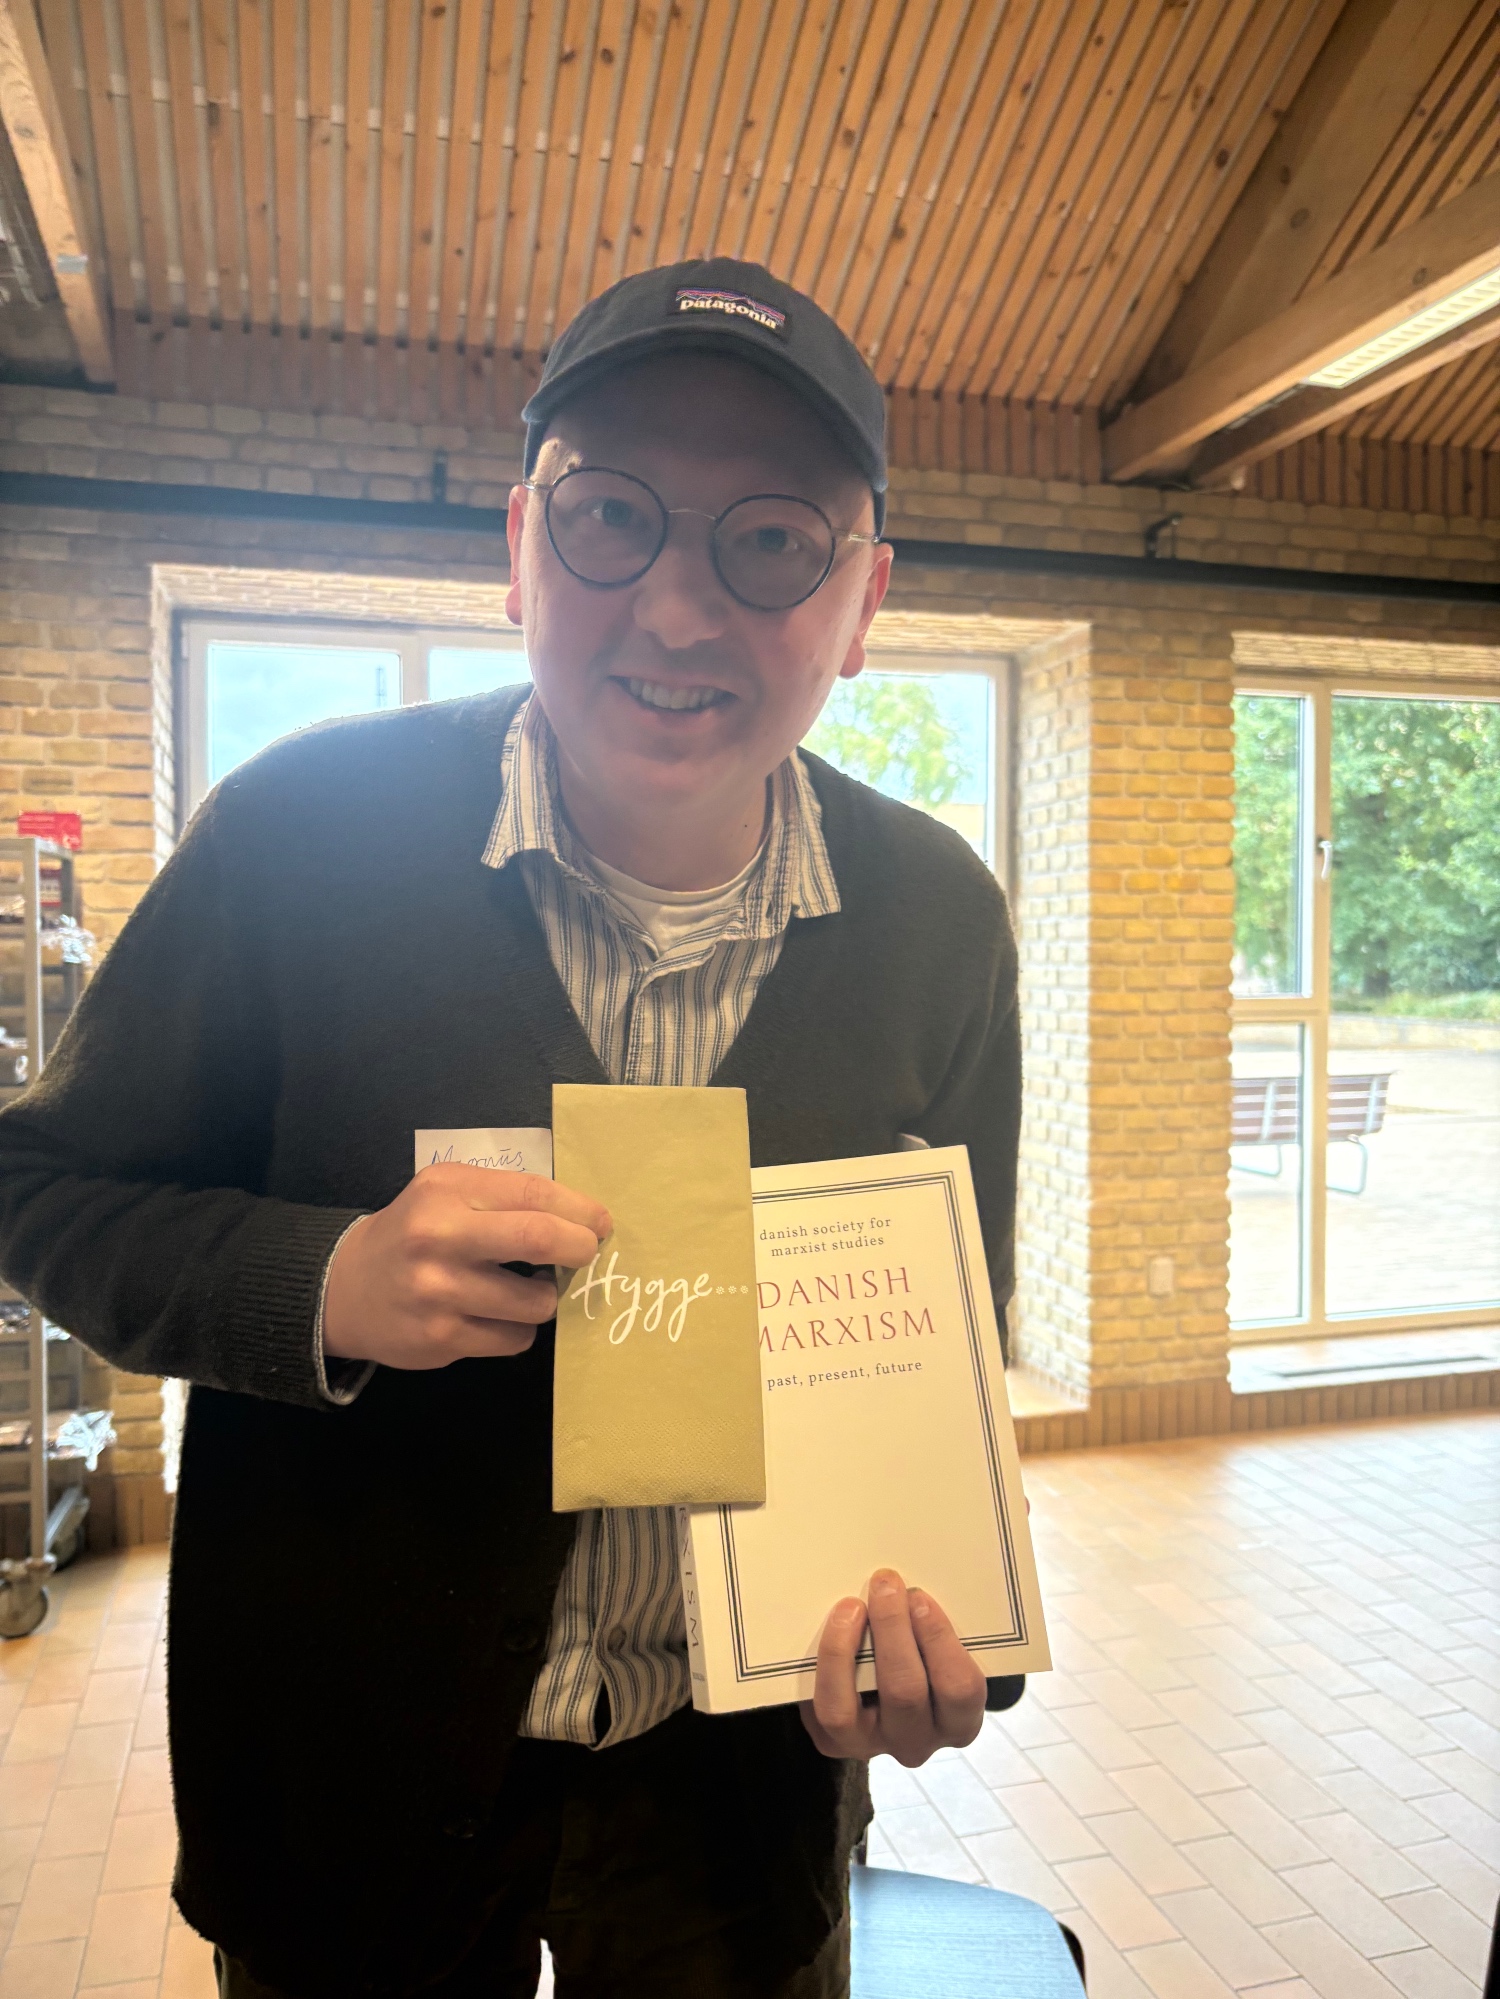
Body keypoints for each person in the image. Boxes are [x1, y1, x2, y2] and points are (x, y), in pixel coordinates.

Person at [0, 259, 1021, 1998]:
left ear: (864, 603)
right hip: (353, 1780)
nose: (678, 613)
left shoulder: (937, 917)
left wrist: (940, 1635)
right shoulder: (299, 836)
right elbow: (42, 1185)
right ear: (518, 544)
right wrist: (320, 1282)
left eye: (774, 542)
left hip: (738, 1805)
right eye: (611, 516)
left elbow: (948, 1346)